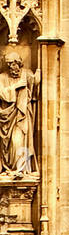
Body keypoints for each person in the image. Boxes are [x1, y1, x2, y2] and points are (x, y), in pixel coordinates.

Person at [0, 48, 38, 176]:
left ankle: (22, 169)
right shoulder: (2, 77)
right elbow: (3, 94)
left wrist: (36, 79)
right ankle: (9, 168)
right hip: (6, 119)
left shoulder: (26, 74)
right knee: (8, 144)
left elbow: (34, 89)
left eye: (14, 64)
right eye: (9, 65)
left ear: (19, 63)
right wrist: (16, 87)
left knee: (20, 140)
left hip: (22, 115)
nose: (12, 67)